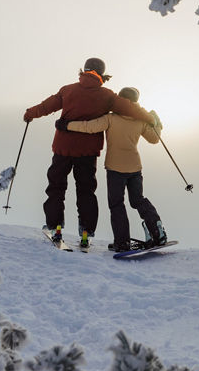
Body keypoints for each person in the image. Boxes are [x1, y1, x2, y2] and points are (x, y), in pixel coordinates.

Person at [24, 58, 154, 247]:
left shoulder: (67, 90)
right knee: (86, 191)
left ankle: (55, 227)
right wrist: (149, 117)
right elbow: (129, 108)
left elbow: (46, 106)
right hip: (88, 152)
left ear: (84, 71)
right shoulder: (107, 96)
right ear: (102, 74)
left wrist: (30, 113)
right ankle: (86, 231)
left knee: (56, 187)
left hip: (63, 148)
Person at [56, 86, 166, 253]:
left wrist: (67, 125)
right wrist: (158, 123)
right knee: (138, 200)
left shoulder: (111, 118)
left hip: (115, 168)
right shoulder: (140, 120)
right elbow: (154, 139)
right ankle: (157, 231)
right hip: (135, 167)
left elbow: (89, 127)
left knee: (117, 205)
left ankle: (122, 243)